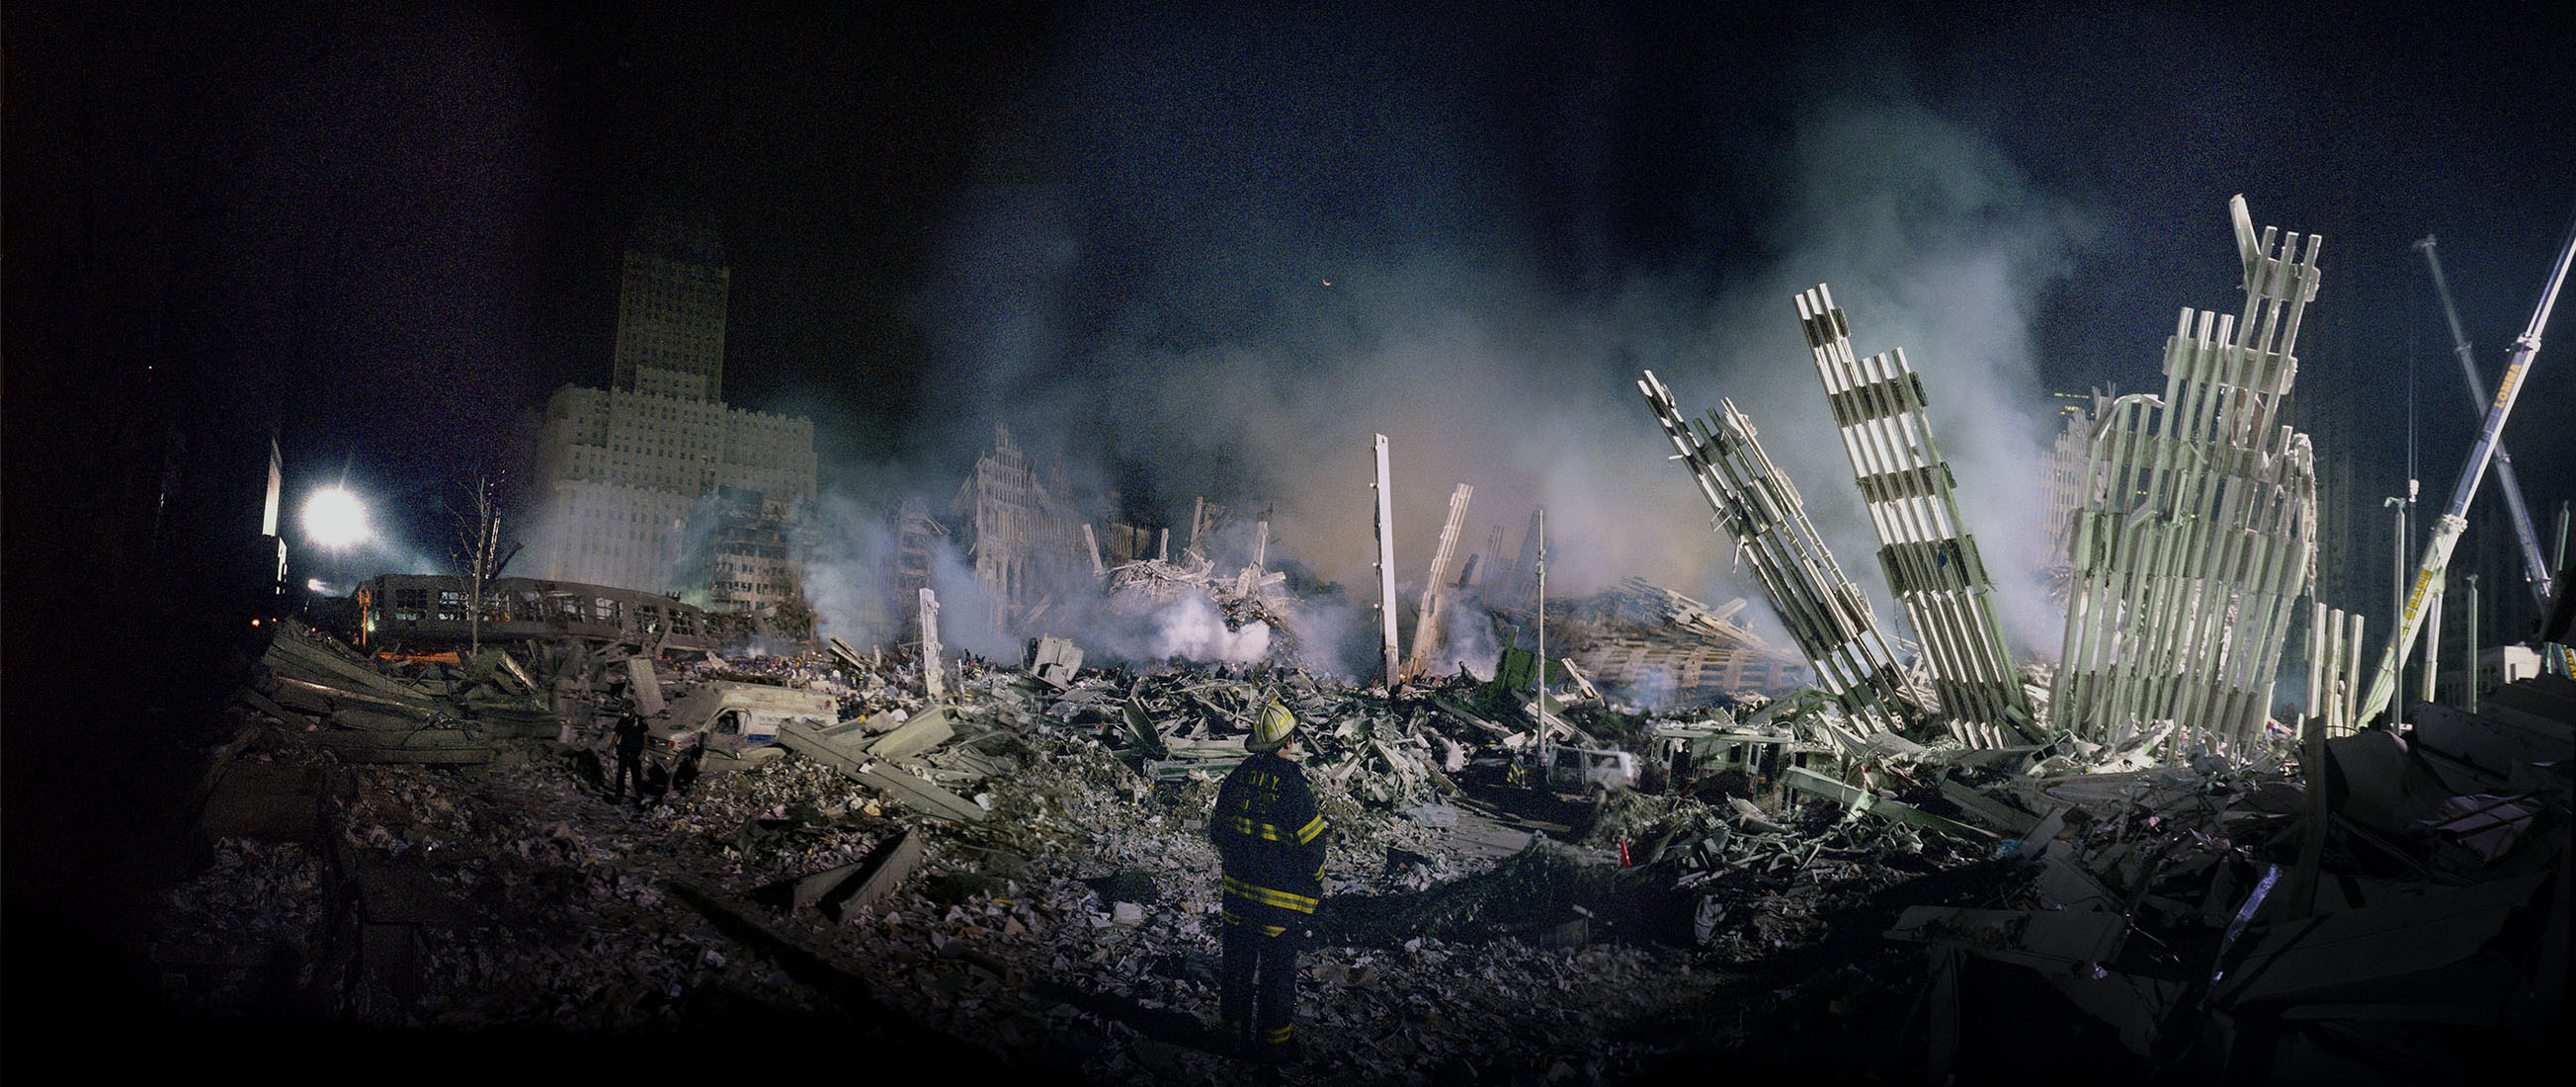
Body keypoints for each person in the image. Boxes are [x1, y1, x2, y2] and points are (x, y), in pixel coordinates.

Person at [1210, 700, 1327, 1066]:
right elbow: (1313, 845)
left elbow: (1217, 831)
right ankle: (1274, 1050)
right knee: (1277, 979)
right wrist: (1316, 883)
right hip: (1280, 906)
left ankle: (1233, 1041)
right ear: (1289, 742)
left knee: (1236, 973)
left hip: (1238, 901)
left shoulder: (1239, 776)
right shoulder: (1293, 784)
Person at [611, 708, 649, 804]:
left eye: (626, 712)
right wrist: (611, 745)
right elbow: (617, 734)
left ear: (631, 711)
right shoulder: (622, 720)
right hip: (624, 750)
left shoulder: (640, 720)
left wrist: (644, 750)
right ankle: (619, 795)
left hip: (635, 751)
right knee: (621, 773)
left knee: (636, 774)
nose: (624, 713)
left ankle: (640, 796)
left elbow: (645, 735)